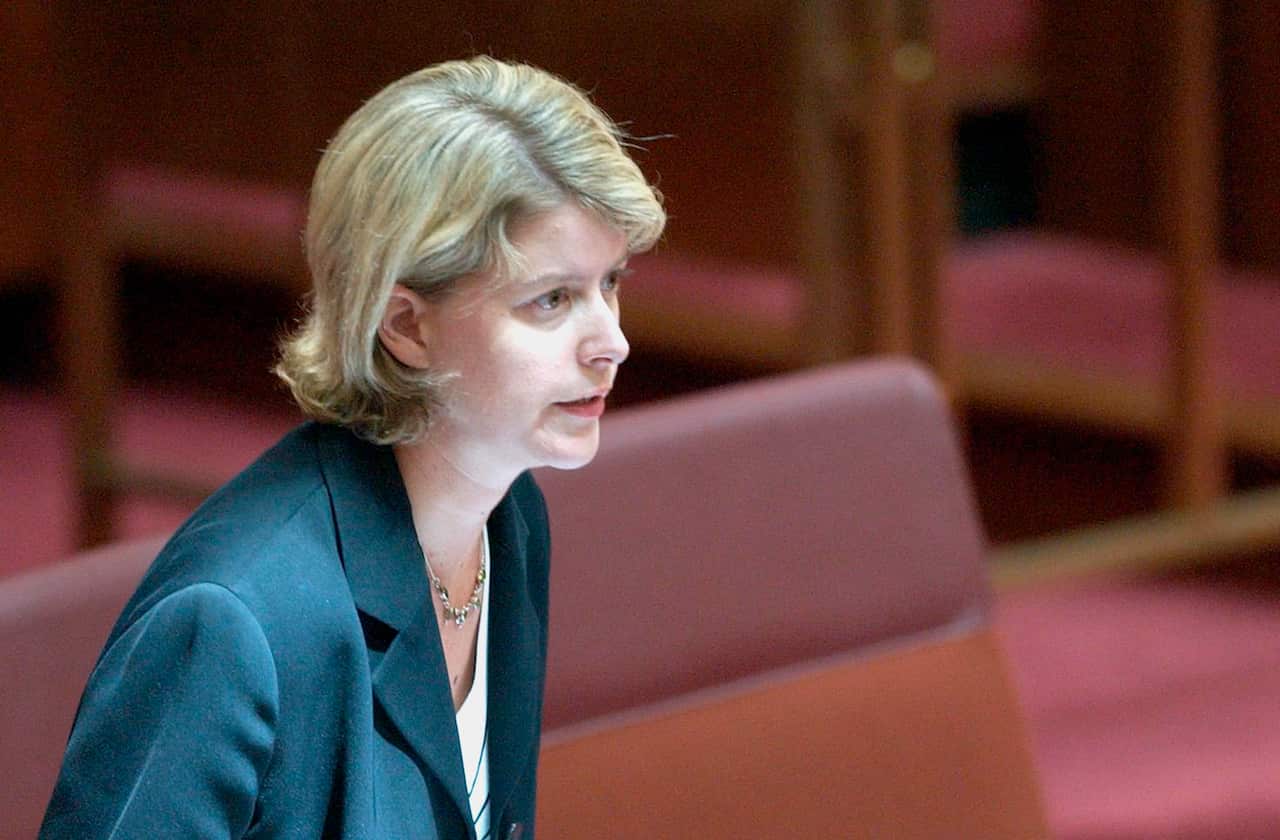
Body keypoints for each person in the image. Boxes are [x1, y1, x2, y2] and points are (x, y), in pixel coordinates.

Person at [39, 55, 665, 839]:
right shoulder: (232, 626)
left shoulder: (509, 519)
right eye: (552, 300)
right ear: (405, 326)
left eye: (610, 283)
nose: (612, 342)